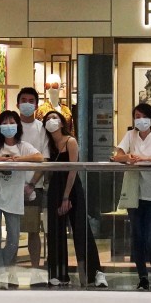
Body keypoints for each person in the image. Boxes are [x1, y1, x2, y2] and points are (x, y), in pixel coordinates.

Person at [0, 111, 43, 288]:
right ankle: (2, 276)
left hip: (15, 198)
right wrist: (1, 159)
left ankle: (2, 274)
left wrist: (20, 159)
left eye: (12, 122)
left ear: (17, 125)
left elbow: (39, 157)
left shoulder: (23, 145)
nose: (8, 125)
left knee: (13, 239)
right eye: (5, 122)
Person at [42, 110, 105, 288]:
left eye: (54, 118)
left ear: (62, 123)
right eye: (48, 119)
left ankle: (95, 273)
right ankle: (58, 274)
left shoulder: (71, 141)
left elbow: (73, 169)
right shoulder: (48, 144)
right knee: (55, 230)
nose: (51, 121)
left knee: (81, 230)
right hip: (55, 189)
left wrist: (66, 196)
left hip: (71, 189)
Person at [113, 103, 151, 291]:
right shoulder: (130, 135)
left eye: (143, 116)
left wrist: (145, 159)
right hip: (134, 193)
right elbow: (118, 156)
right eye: (137, 116)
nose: (140, 119)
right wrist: (129, 157)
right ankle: (142, 277)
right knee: (137, 236)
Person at [15, 88, 49, 273]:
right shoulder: (11, 125)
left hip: (34, 187)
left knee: (33, 230)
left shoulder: (41, 128)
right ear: (17, 103)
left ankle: (36, 270)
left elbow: (45, 158)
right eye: (24, 100)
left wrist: (31, 184)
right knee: (13, 232)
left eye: (31, 101)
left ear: (36, 105)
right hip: (11, 187)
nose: (27, 104)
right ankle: (8, 271)